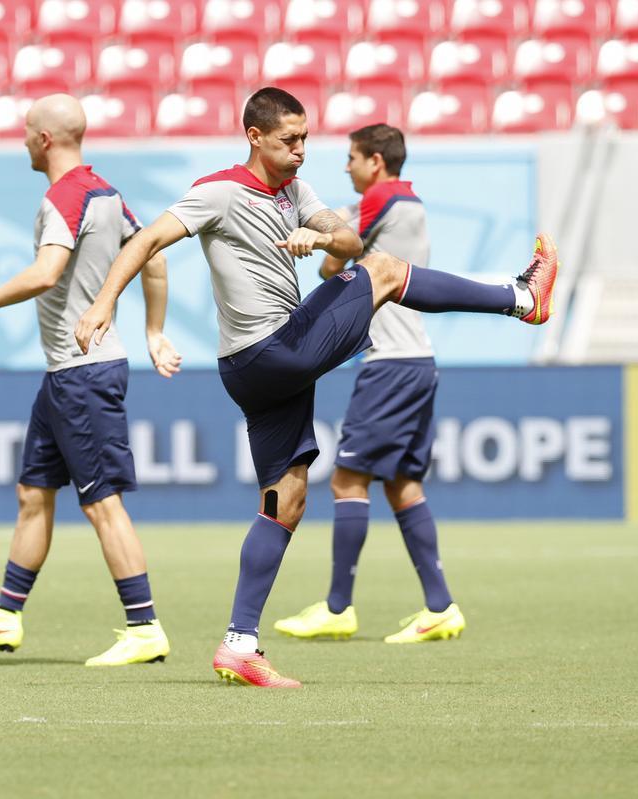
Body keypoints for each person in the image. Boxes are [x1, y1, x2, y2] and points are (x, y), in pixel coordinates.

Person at [75, 87, 559, 688]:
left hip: (257, 370)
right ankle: (520, 299)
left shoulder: (296, 192)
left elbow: (351, 241)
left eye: (306, 137)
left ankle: (238, 643)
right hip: (271, 351)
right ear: (254, 137)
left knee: (288, 497)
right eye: (289, 140)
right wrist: (103, 303)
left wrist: (321, 237)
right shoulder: (219, 191)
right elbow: (146, 240)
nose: (303, 150)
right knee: (385, 273)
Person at [0, 94, 183, 666]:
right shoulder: (108, 193)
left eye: (26, 131)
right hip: (67, 373)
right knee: (33, 494)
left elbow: (46, 273)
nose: (22, 139)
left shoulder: (63, 196)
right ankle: (4, 616)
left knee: (102, 503)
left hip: (84, 373)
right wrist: (153, 332)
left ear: (44, 139)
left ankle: (144, 627)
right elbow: (156, 258)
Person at [273, 124, 465, 645]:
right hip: (417, 357)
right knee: (403, 484)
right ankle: (440, 606)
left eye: (353, 158)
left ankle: (338, 607)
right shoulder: (411, 202)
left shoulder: (379, 198)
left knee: (347, 481)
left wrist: (327, 245)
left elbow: (333, 259)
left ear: (375, 161)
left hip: (390, 362)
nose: (346, 167)